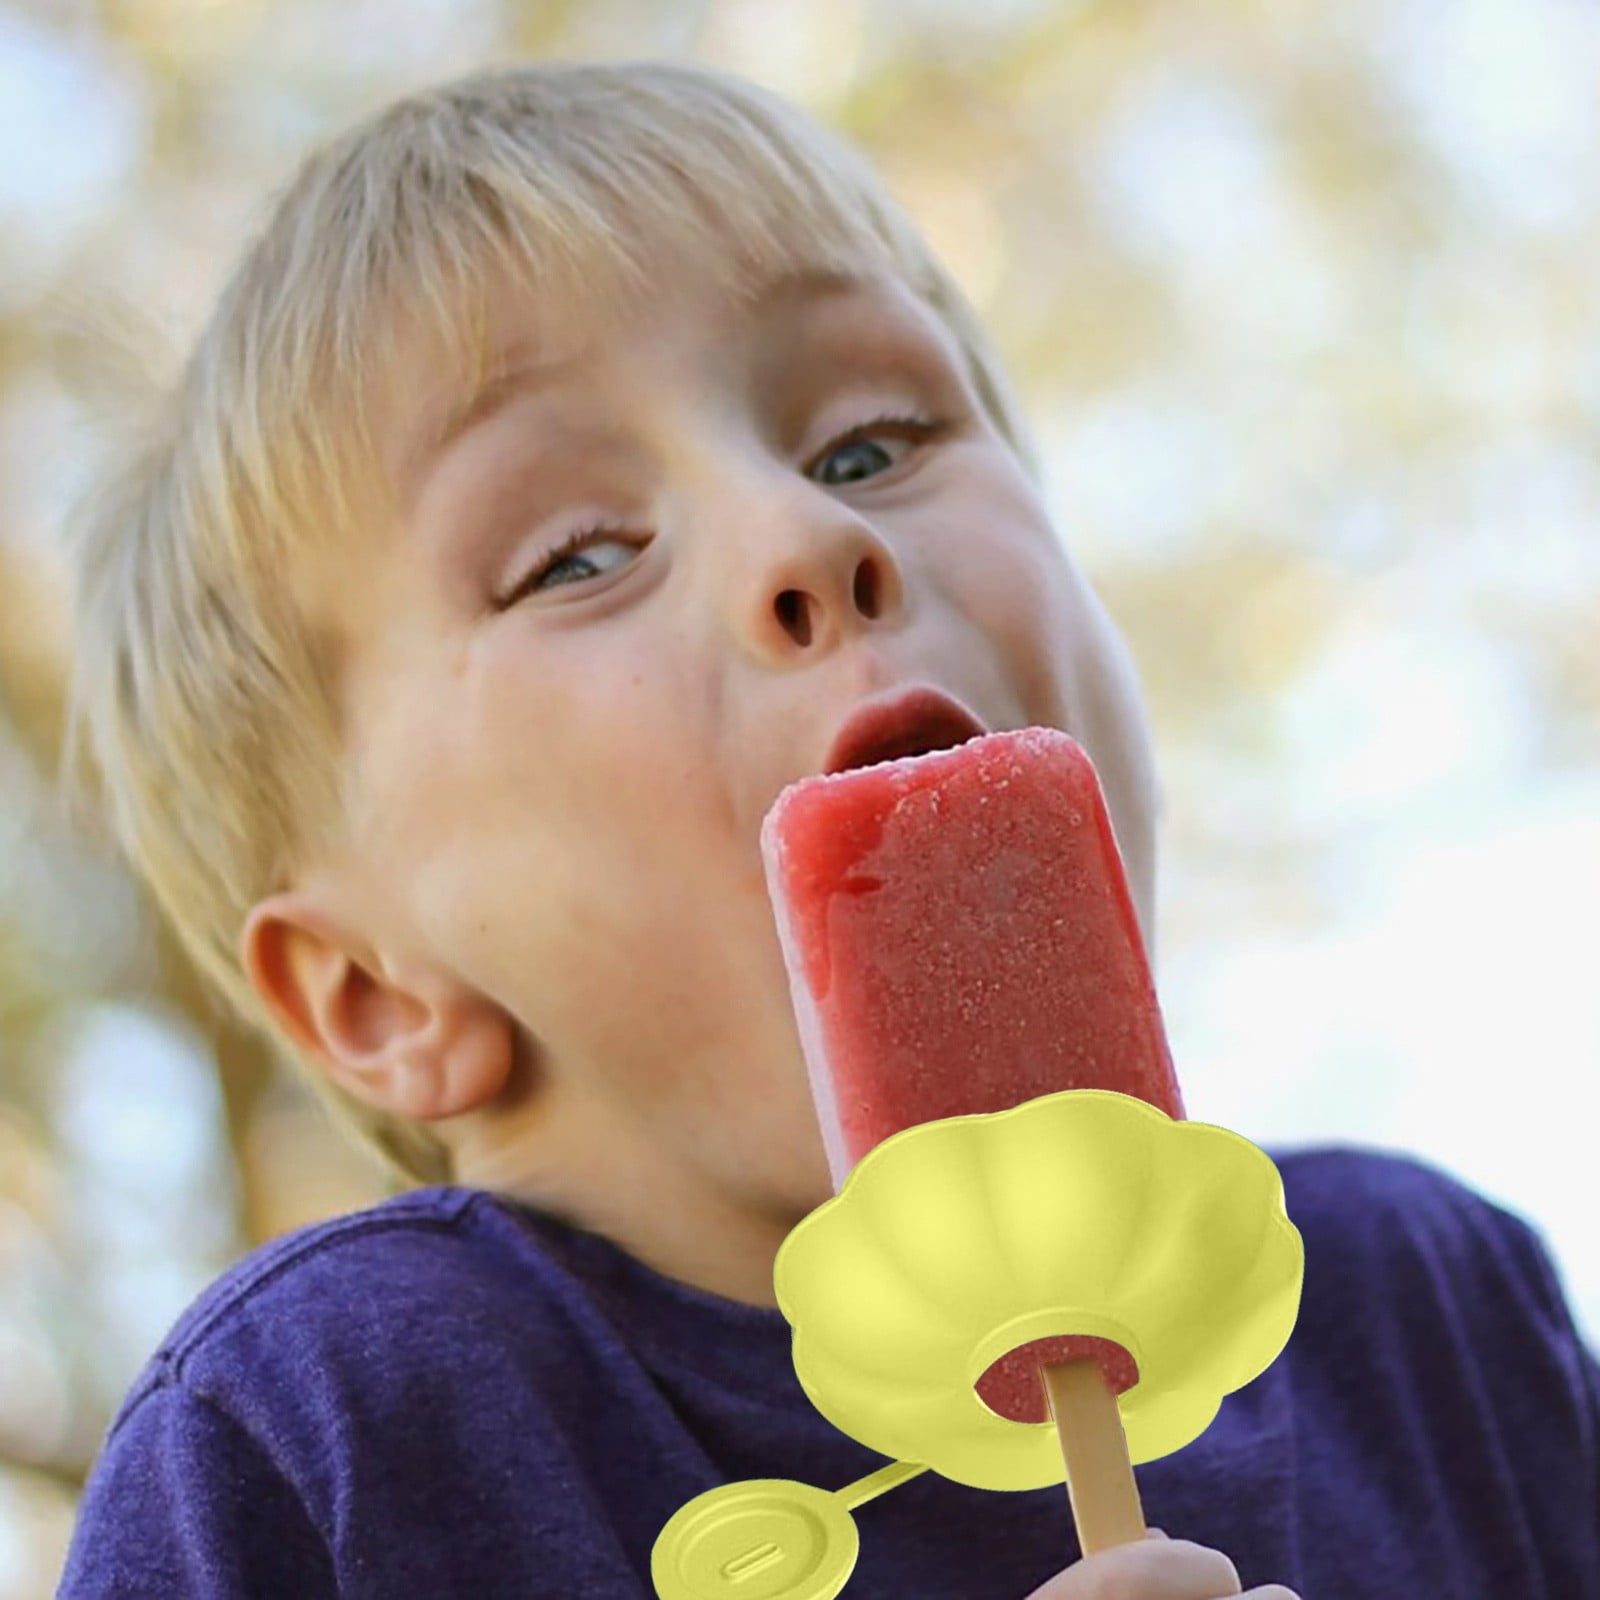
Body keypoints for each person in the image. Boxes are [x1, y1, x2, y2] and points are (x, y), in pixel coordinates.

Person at [52, 57, 1598, 1599]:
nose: (812, 535)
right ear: (376, 993)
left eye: (870, 442)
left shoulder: (1425, 1321)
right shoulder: (332, 1436)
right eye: (581, 555)